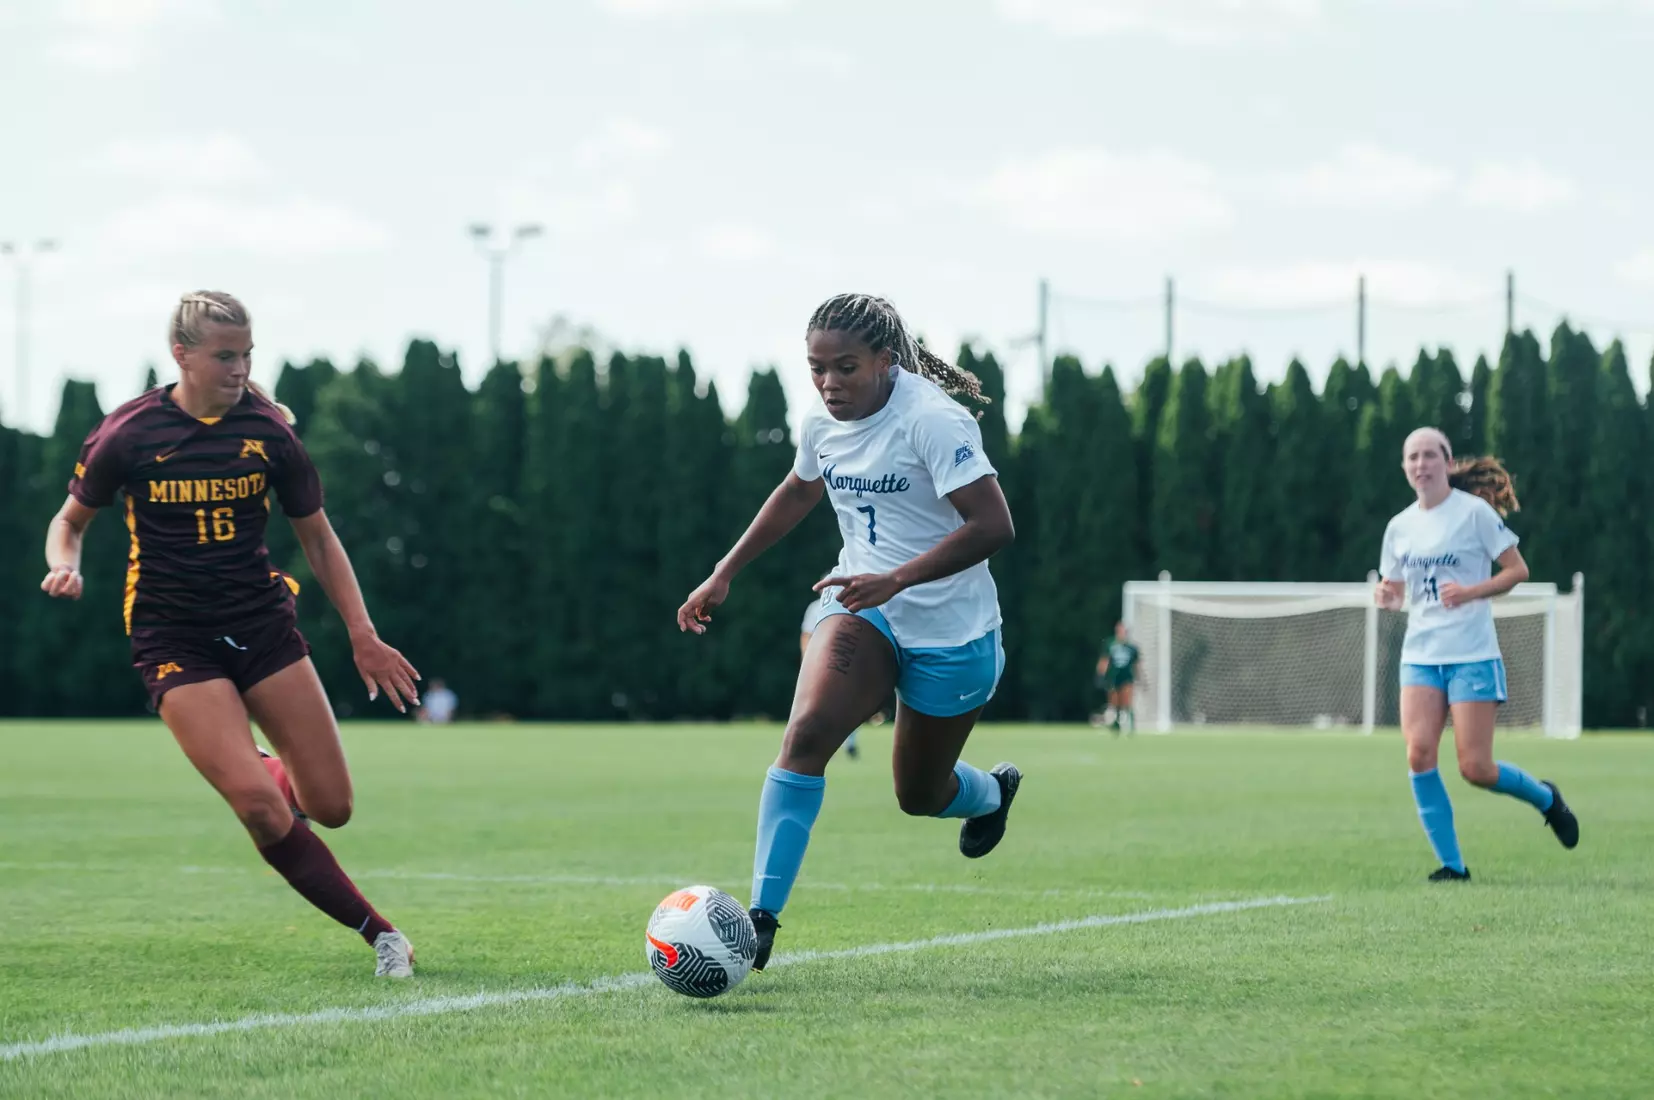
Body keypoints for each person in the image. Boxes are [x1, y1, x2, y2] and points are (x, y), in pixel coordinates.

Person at [40, 291, 420, 976]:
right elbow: (69, 521)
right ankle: (384, 936)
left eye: (247, 353)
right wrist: (64, 567)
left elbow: (320, 539)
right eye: (225, 355)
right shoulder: (128, 434)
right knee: (262, 811)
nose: (240, 367)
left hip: (262, 627)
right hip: (172, 638)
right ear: (181, 355)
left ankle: (266, 766)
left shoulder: (270, 433)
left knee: (330, 807)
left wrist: (363, 633)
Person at [678, 293, 1020, 971]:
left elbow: (995, 528)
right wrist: (724, 571)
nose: (829, 383)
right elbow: (799, 490)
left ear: (886, 361)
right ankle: (760, 918)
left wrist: (898, 578)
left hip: (953, 631)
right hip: (862, 605)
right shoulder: (821, 420)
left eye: (846, 368)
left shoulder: (932, 420)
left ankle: (992, 792)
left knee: (918, 795)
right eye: (816, 368)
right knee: (804, 736)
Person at [1374, 426, 1579, 882]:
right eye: (1413, 457)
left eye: (1430, 455)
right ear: (1405, 468)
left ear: (1447, 464)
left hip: (1472, 654)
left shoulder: (1474, 515)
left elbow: (1517, 570)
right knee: (1419, 754)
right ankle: (1452, 866)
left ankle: (1547, 799)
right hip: (1421, 656)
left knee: (1476, 768)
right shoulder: (1399, 527)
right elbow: (1396, 592)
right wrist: (1387, 599)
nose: (1421, 464)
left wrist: (1470, 592)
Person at [1094, 621, 1139, 734]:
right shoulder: (1110, 644)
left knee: (1127, 701)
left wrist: (1139, 677)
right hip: (1113, 677)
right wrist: (1100, 674)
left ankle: (1131, 725)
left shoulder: (1132, 647)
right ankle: (1116, 724)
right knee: (1114, 702)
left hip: (1127, 676)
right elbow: (1104, 660)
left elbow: (1136, 664)